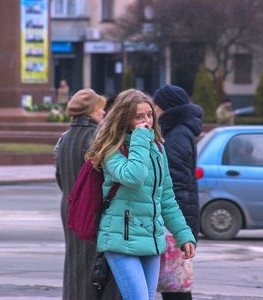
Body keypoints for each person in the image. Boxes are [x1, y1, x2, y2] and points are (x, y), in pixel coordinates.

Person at [85, 89, 196, 300]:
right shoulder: (111, 148)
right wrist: (140, 138)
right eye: (139, 116)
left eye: (150, 114)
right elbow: (133, 176)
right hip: (120, 238)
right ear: (125, 119)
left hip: (151, 239)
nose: (147, 121)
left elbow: (167, 199)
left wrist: (183, 234)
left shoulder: (157, 149)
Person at [152, 84, 202, 300]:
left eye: (155, 104)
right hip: (180, 218)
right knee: (172, 284)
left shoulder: (177, 133)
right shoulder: (179, 130)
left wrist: (174, 227)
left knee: (174, 286)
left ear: (165, 107)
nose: (152, 108)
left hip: (176, 220)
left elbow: (176, 182)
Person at [55, 88, 106, 300]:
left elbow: (59, 175)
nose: (103, 113)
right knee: (92, 263)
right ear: (91, 112)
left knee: (74, 261)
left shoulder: (64, 138)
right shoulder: (96, 137)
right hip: (91, 209)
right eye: (101, 109)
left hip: (69, 206)